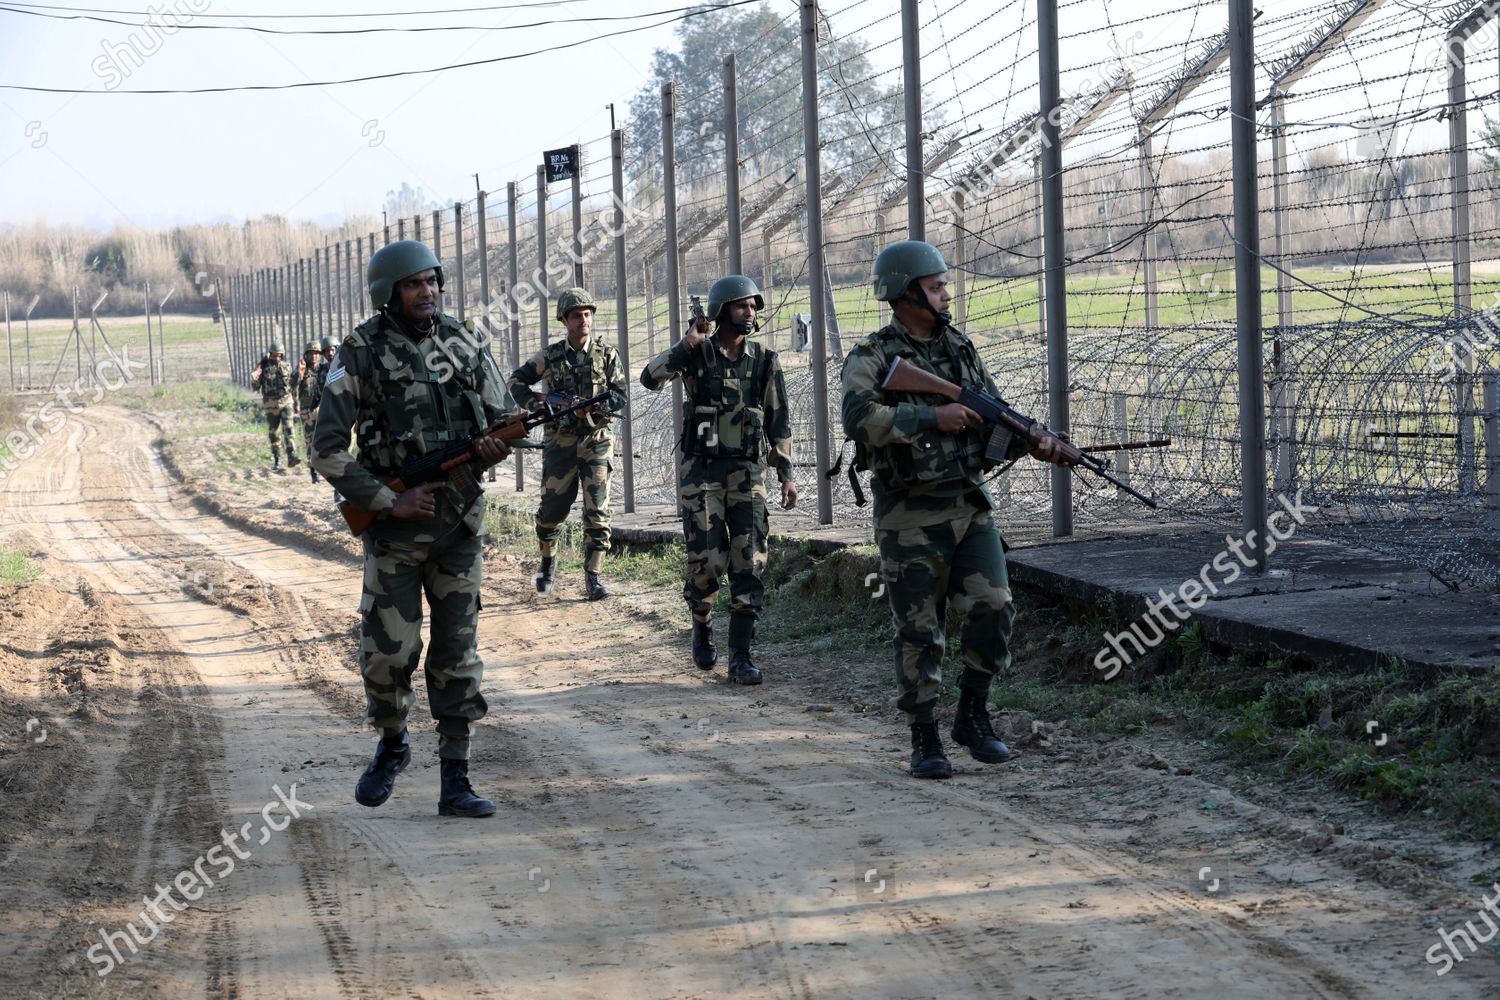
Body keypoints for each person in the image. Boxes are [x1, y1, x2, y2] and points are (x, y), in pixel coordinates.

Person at [839, 240, 1076, 779]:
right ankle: (924, 737)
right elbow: (858, 418)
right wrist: (930, 418)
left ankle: (972, 714)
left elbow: (991, 416)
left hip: (968, 508)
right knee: (920, 631)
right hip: (909, 515)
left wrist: (1034, 441)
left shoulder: (959, 348)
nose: (948, 293)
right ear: (906, 293)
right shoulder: (873, 356)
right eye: (937, 285)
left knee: (995, 605)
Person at [311, 239, 518, 818]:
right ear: (389, 294)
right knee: (387, 653)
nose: (427, 292)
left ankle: (457, 779)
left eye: (432, 281)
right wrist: (385, 501)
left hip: (459, 527)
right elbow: (326, 450)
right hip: (395, 533)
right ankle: (393, 743)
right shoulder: (359, 352)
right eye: (413, 284)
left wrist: (496, 446)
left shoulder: (465, 340)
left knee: (458, 653)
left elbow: (503, 419)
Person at [639, 275, 797, 685]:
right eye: (743, 306)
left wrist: (786, 475)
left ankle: (741, 656)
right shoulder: (698, 355)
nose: (751, 313)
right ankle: (702, 621)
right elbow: (649, 378)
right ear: (722, 310)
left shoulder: (764, 360)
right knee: (707, 562)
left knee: (750, 561)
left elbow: (778, 420)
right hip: (702, 475)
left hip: (747, 474)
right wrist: (685, 345)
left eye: (753, 307)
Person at [508, 288, 626, 601]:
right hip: (560, 443)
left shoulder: (607, 355)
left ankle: (594, 576)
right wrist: (540, 404)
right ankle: (548, 562)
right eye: (577, 315)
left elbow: (620, 396)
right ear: (565, 320)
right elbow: (516, 382)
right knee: (551, 513)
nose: (583, 320)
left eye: (587, 314)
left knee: (597, 513)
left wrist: (596, 407)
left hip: (596, 442)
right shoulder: (550, 356)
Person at [250, 338, 299, 471]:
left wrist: (296, 403)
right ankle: (278, 459)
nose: (277, 358)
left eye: (279, 355)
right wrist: (255, 378)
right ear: (270, 355)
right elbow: (256, 387)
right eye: (274, 355)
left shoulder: (287, 366)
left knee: (289, 429)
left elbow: (292, 386)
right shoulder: (264, 368)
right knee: (274, 432)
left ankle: (291, 455)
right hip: (271, 405)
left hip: (286, 401)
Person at [293, 341, 322, 483]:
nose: (314, 356)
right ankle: (313, 471)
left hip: (323, 410)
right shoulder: (303, 370)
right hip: (307, 412)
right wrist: (299, 372)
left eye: (316, 353)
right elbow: (291, 384)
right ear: (306, 355)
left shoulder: (324, 369)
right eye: (311, 353)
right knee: (310, 441)